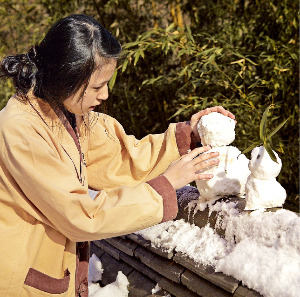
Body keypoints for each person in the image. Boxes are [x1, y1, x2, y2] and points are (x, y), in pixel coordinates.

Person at [0, 14, 235, 297]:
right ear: (67, 78)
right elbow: (80, 216)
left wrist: (189, 135)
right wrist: (166, 186)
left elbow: (122, 160)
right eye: (98, 86)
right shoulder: (21, 130)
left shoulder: (68, 113)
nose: (106, 95)